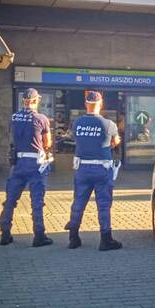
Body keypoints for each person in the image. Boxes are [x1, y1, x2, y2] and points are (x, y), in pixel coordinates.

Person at [65, 91, 122, 251]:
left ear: (86, 104)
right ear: (101, 104)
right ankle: (106, 240)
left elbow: (76, 139)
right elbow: (115, 142)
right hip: (102, 169)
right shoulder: (109, 124)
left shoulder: (77, 123)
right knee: (103, 205)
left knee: (78, 202)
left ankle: (73, 238)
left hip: (82, 168)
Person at [0, 88, 54, 247]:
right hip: (36, 164)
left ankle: (5, 232)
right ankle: (39, 235)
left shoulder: (14, 117)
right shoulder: (41, 118)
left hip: (18, 164)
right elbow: (47, 143)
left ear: (23, 101)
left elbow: (13, 136)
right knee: (37, 200)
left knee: (10, 199)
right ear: (36, 100)